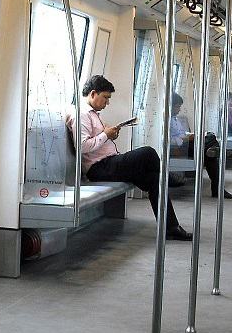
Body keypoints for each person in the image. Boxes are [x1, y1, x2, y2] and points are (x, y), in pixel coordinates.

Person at [66, 75, 192, 241]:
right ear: (93, 93)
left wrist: (110, 135)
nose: (107, 102)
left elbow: (98, 139)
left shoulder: (93, 114)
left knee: (156, 179)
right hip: (99, 168)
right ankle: (170, 178)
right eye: (105, 98)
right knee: (147, 152)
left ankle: (171, 227)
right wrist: (105, 135)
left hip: (110, 162)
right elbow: (83, 147)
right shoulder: (81, 115)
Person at [170, 93, 232, 199]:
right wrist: (187, 138)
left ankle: (211, 150)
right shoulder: (166, 120)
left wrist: (192, 135)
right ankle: (217, 189)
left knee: (210, 138)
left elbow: (182, 133)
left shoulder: (175, 119)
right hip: (180, 148)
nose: (179, 110)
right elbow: (172, 140)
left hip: (187, 143)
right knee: (210, 146)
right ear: (170, 106)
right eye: (177, 106)